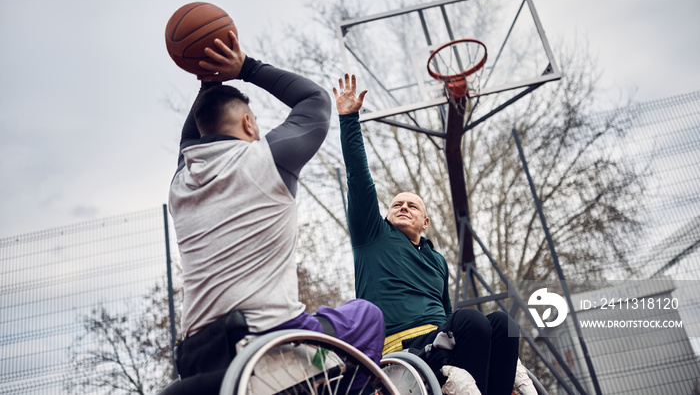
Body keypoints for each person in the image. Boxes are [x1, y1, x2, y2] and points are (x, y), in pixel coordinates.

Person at [167, 31, 384, 391]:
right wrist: (244, 67)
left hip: (196, 355)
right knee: (366, 316)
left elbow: (191, 138)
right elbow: (315, 100)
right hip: (269, 340)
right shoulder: (266, 159)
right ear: (250, 125)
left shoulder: (180, 184)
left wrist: (210, 78)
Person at [334, 73, 520, 395]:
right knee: (472, 321)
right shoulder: (373, 237)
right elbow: (359, 178)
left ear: (425, 222)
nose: (403, 207)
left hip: (443, 339)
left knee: (504, 325)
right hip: (405, 350)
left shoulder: (437, 261)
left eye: (412, 206)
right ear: (387, 214)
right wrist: (349, 119)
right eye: (396, 204)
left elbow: (445, 312)